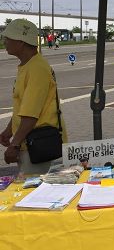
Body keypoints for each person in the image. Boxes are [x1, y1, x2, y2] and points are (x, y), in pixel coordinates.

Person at [0, 19, 67, 174]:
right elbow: (23, 107)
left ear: (21, 42)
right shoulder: (27, 65)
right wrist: (9, 131)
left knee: (33, 192)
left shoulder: (36, 68)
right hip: (30, 143)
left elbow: (31, 115)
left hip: (38, 145)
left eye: (8, 38)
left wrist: (14, 145)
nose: (5, 42)